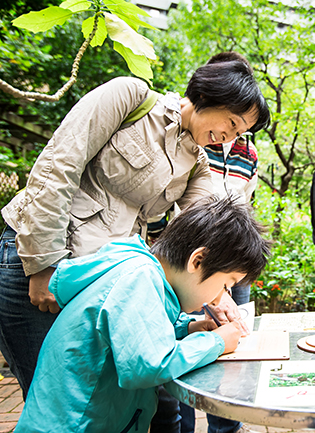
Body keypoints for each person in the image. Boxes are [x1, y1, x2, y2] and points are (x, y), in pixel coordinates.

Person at [0, 53, 271, 403]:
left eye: (240, 134)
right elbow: (59, 166)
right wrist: (42, 264)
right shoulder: (131, 98)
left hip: (94, 279)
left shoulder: (197, 166)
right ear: (209, 94)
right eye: (232, 124)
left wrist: (220, 295)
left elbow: (212, 236)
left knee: (88, 403)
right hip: (34, 259)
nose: (229, 139)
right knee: (51, 400)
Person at [14, 196, 271, 432]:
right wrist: (217, 342)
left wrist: (188, 328)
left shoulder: (141, 270)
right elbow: (148, 365)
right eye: (226, 285)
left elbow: (135, 330)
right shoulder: (140, 279)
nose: (220, 298)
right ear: (198, 261)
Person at [179, 54, 261, 433]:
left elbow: (244, 203)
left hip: (229, 263)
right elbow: (187, 207)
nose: (232, 131)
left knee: (233, 344)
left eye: (239, 124)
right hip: (192, 263)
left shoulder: (249, 153)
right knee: (185, 335)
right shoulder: (196, 137)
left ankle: (226, 427)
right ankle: (179, 423)